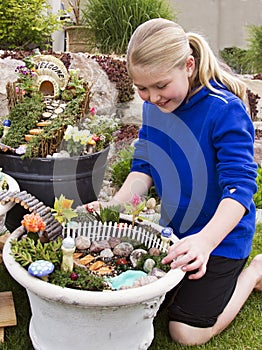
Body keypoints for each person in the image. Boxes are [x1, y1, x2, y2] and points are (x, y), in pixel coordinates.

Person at [86, 18, 262, 345]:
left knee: (185, 331)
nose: (152, 97)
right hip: (173, 234)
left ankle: (253, 274)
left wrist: (206, 242)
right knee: (133, 299)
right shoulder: (156, 107)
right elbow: (144, 167)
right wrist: (112, 206)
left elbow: (240, 190)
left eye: (161, 86)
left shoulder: (225, 110)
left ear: (189, 66)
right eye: (142, 89)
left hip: (220, 239)